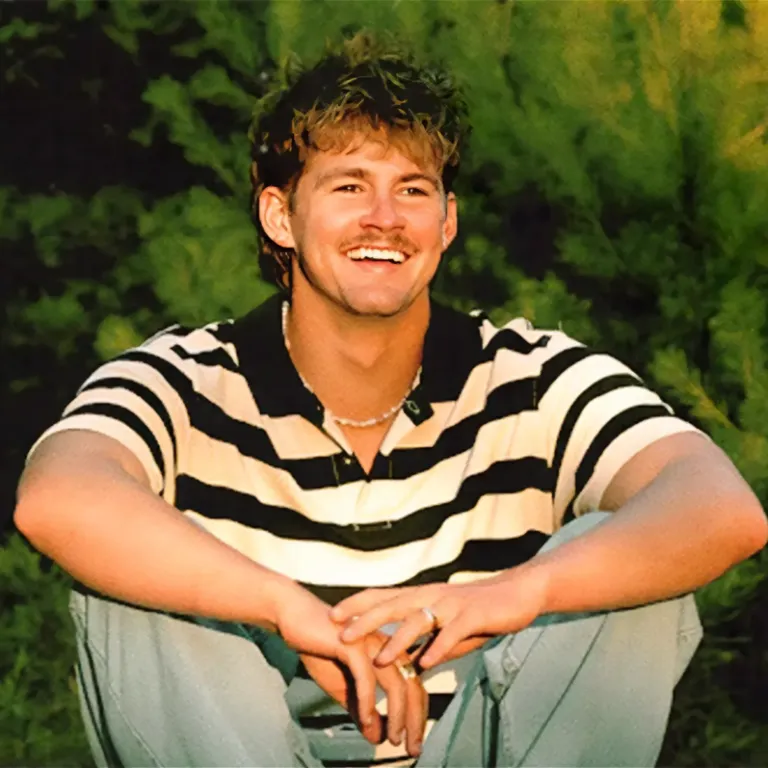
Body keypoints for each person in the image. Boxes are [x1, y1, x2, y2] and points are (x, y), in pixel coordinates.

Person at [14, 35, 767, 768]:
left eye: (413, 189)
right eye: (349, 187)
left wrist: (520, 592)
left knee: (618, 559)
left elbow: (721, 507)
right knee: (132, 577)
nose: (385, 217)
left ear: (447, 221)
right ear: (280, 216)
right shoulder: (187, 378)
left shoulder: (531, 377)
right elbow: (56, 497)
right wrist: (285, 607)